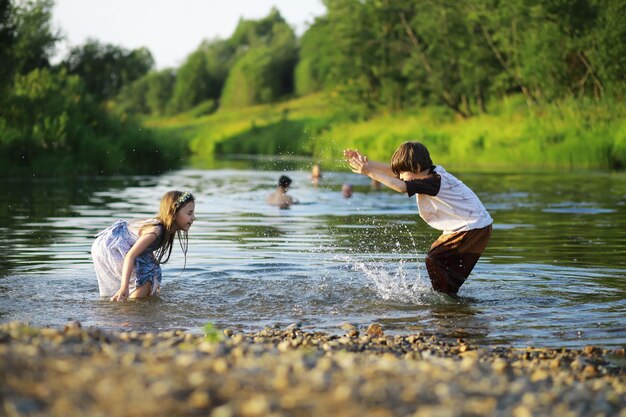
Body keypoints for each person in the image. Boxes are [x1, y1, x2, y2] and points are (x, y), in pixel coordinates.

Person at [344, 142, 492, 295]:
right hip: (467, 227)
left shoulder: (434, 181)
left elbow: (401, 187)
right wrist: (368, 164)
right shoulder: (425, 174)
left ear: (416, 167)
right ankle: (447, 297)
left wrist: (370, 173)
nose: (400, 177)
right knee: (437, 262)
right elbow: (394, 172)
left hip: (473, 227)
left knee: (434, 259)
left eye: (403, 173)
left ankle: (446, 298)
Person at [91, 190, 196, 301]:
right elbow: (130, 256)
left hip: (110, 245)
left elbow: (145, 252)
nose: (193, 217)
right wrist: (124, 287)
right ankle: (130, 304)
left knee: (152, 270)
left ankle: (130, 301)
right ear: (173, 214)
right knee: (147, 277)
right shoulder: (156, 231)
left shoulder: (167, 230)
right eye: (189, 213)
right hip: (111, 247)